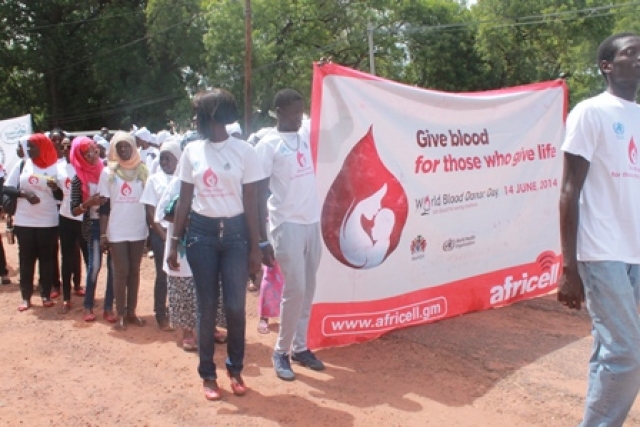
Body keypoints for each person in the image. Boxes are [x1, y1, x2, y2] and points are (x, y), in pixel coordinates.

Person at [559, 32, 640, 427]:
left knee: (609, 349)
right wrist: (569, 267)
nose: (639, 59)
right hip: (601, 251)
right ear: (607, 66)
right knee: (627, 353)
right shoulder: (590, 112)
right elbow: (568, 191)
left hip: (635, 252)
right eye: (631, 53)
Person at [167, 88, 262, 400]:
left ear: (213, 115)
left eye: (198, 114)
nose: (195, 120)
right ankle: (208, 374)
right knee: (206, 307)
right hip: (201, 236)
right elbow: (183, 201)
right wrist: (173, 243)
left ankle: (235, 370)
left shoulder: (245, 151)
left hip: (236, 234)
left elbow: (252, 203)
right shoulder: (192, 151)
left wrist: (255, 247)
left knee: (235, 307)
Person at [255, 89, 324, 381]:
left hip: (312, 222)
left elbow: (331, 108)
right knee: (294, 288)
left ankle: (300, 347)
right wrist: (261, 239)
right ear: (279, 111)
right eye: (294, 113)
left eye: (301, 112)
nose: (300, 118)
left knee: (308, 288)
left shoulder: (305, 133)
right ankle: (280, 351)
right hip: (286, 224)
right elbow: (257, 194)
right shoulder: (268, 144)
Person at [4, 134, 63, 311]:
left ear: (43, 147)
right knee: (26, 259)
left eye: (33, 147)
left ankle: (45, 294)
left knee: (46, 259)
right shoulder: (23, 164)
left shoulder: (55, 167)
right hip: (24, 221)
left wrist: (55, 188)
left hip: (48, 220)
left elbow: (61, 196)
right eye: (28, 147)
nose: (29, 150)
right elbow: (7, 187)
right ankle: (26, 297)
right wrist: (24, 194)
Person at [99, 131, 149, 330]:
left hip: (138, 228)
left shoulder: (143, 171)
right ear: (115, 149)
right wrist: (103, 234)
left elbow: (148, 204)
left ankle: (131, 313)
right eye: (119, 147)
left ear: (133, 147)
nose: (123, 150)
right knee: (120, 272)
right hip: (117, 229)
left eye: (127, 146)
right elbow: (104, 206)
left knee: (134, 271)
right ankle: (119, 313)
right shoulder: (108, 172)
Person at [70, 137, 115, 323]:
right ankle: (88, 305)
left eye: (94, 150)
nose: (92, 155)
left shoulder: (108, 171)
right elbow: (74, 210)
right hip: (93, 224)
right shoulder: (77, 179)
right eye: (87, 153)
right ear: (79, 156)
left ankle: (108, 307)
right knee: (94, 265)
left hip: (113, 223)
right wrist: (89, 203)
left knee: (113, 266)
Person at [140, 137, 181, 330]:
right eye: (162, 158)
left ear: (178, 159)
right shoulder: (154, 179)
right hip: (161, 234)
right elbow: (151, 212)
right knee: (163, 275)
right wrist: (165, 237)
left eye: (168, 159)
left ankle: (179, 313)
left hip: (181, 235)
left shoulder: (184, 179)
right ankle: (161, 315)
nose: (164, 163)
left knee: (182, 275)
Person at [57, 137, 88, 313]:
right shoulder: (59, 167)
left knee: (88, 257)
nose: (67, 149)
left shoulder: (84, 166)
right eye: (64, 147)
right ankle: (66, 297)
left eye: (70, 146)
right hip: (66, 217)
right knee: (66, 257)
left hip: (84, 219)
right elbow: (58, 192)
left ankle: (88, 296)